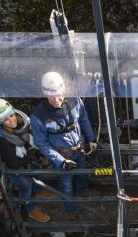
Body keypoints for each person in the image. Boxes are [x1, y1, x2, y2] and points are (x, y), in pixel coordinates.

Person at [30, 71, 98, 216]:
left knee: (81, 172)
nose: (56, 100)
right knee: (66, 184)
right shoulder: (38, 116)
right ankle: (71, 210)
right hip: (62, 155)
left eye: (58, 95)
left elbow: (83, 119)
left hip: (79, 148)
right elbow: (41, 143)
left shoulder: (74, 100)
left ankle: (82, 191)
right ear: (45, 94)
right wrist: (60, 161)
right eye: (51, 96)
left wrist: (91, 139)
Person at [0, 98, 51, 223]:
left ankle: (38, 191)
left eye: (12, 116)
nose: (11, 121)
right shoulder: (2, 140)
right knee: (26, 187)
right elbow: (13, 162)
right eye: (6, 119)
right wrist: (30, 155)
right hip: (16, 169)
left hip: (27, 160)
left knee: (36, 175)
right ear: (0, 123)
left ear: (15, 113)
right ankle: (31, 209)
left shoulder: (25, 122)